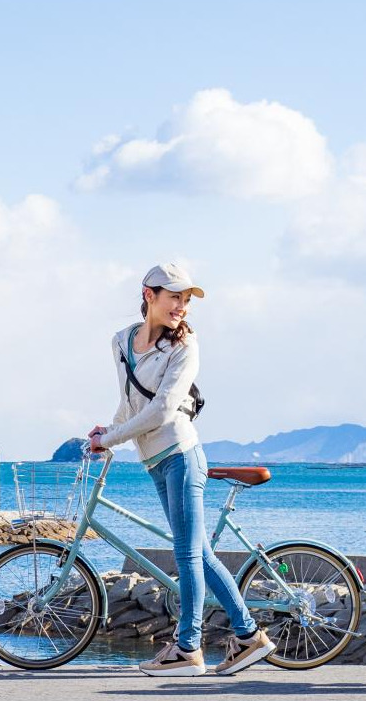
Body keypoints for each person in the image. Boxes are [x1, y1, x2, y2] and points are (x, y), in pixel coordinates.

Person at [87, 263, 276, 677]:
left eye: (187, 300)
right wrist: (109, 428)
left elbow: (163, 408)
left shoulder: (185, 346)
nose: (182, 307)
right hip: (154, 460)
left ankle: (188, 649)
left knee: (187, 554)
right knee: (201, 554)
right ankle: (249, 636)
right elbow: (130, 402)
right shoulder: (120, 342)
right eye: (175, 297)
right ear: (149, 294)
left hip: (182, 455)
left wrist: (114, 439)